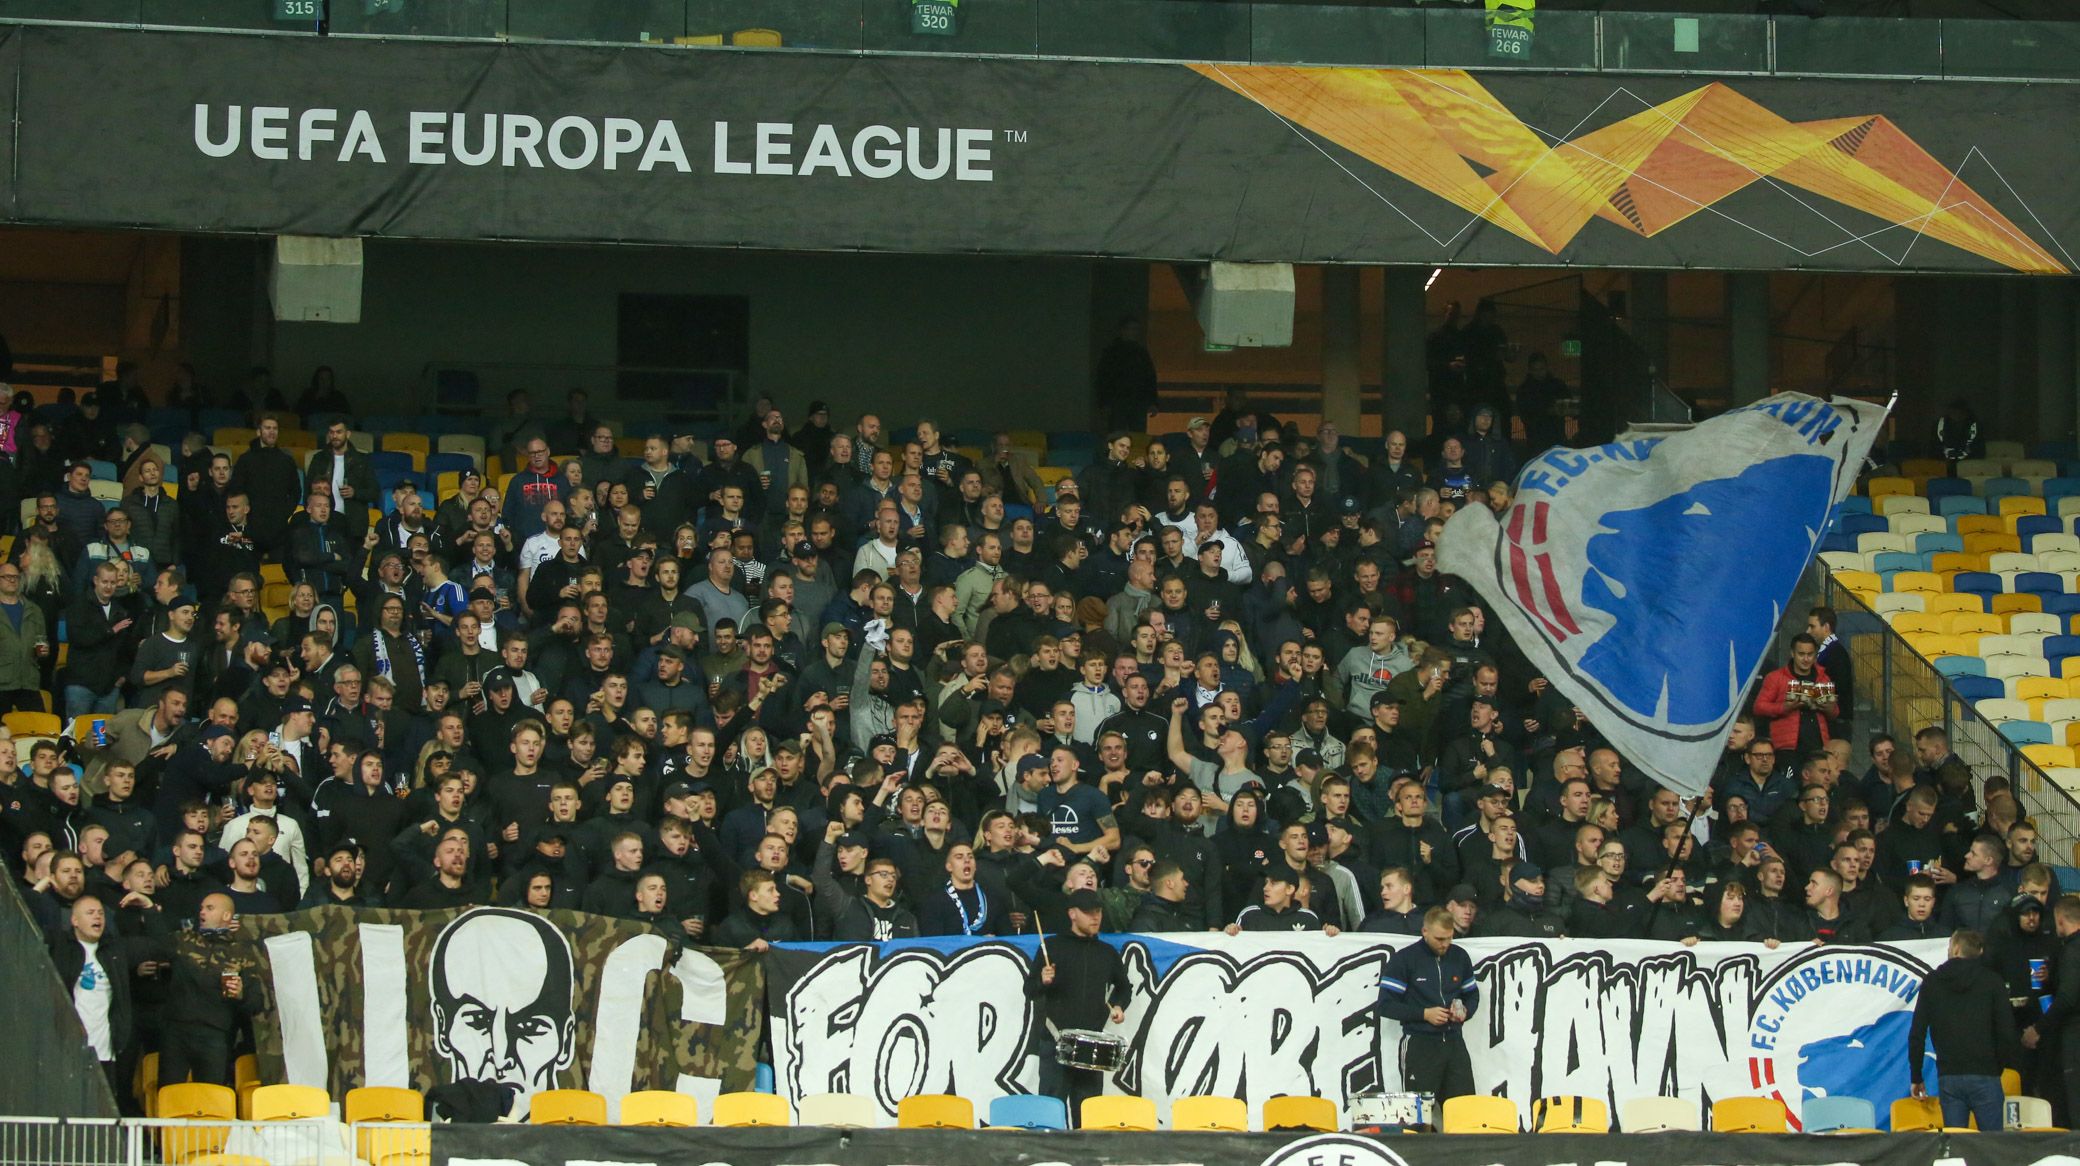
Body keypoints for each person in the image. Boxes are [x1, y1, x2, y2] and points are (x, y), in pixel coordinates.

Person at [1028, 887, 1130, 1125]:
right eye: (1088, 912)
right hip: (1055, 1042)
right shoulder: (1053, 946)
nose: (1095, 917)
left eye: (1098, 911)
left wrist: (1118, 1005)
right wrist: (1042, 980)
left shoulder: (1107, 952)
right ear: (1072, 914)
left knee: (1089, 1118)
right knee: (1050, 1114)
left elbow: (1124, 987)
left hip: (1092, 1046)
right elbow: (1029, 990)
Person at [1908, 929, 2019, 1133]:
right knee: (1993, 1149)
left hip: (1949, 1076)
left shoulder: (1932, 982)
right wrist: (1998, 1067)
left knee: (1955, 1147)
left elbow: (1917, 1033)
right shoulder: (1993, 982)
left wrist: (1916, 1076)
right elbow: (2006, 1031)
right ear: (1979, 951)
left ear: (1956, 948)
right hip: (1986, 1074)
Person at [161, 892, 263, 1087]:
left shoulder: (241, 952)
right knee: (169, 1095)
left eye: (209, 908)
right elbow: (157, 942)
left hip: (215, 1036)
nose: (202, 912)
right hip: (176, 1032)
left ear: (226, 916)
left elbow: (256, 1002)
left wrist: (241, 994)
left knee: (212, 1098)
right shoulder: (184, 941)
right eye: (201, 908)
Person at [1377, 906, 1478, 1101]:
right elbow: (1385, 1005)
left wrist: (1466, 1011)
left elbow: (1472, 994)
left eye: (1449, 938)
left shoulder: (1460, 956)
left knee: (1463, 1107)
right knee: (1419, 1113)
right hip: (1419, 1044)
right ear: (1425, 931)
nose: (1445, 944)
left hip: (1454, 1043)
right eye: (1439, 939)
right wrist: (1424, 1014)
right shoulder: (1405, 959)